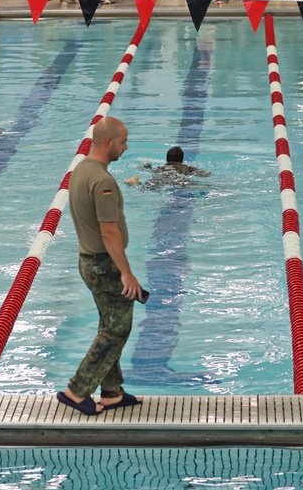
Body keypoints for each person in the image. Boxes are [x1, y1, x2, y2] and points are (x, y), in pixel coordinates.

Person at [58, 116, 144, 417]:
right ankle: (77, 390)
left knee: (110, 324)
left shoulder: (81, 169)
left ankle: (111, 393)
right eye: (123, 141)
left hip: (89, 260)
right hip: (104, 265)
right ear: (108, 142)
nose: (126, 146)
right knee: (116, 329)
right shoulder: (102, 180)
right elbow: (108, 232)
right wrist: (126, 272)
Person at [125, 146, 212, 188]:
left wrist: (148, 167)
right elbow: (206, 174)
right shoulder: (187, 168)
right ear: (182, 160)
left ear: (166, 160)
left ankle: (135, 183)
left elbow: (152, 171)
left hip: (162, 176)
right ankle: (195, 186)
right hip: (177, 178)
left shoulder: (160, 168)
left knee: (147, 188)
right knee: (184, 184)